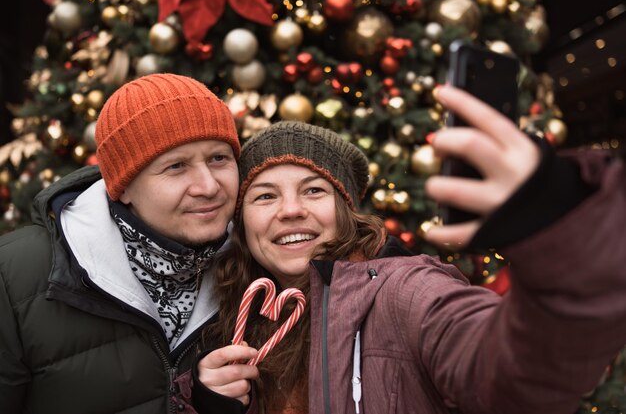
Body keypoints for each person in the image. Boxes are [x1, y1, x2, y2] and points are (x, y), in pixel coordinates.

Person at [186, 86, 626, 414]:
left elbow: (515, 373)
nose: (291, 211)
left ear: (347, 210)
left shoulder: (405, 290)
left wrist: (559, 226)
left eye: (314, 190)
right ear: (241, 220)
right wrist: (205, 400)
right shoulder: (224, 312)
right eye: (264, 196)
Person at [0, 73, 241, 413]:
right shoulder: (15, 278)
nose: (208, 185)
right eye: (176, 166)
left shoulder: (251, 270)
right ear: (123, 187)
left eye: (219, 158)